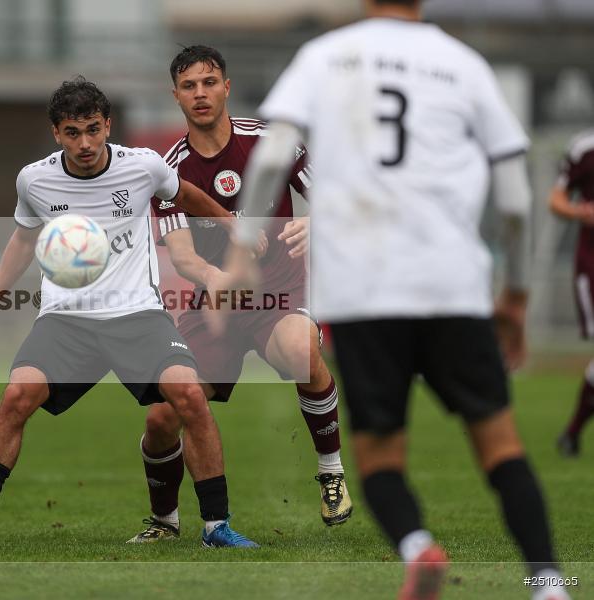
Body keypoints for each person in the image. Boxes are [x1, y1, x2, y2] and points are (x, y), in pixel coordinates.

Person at [230, 1, 570, 598]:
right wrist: (515, 296)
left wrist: (238, 250)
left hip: (363, 292)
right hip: (452, 285)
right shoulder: (462, 63)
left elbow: (275, 155)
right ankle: (548, 584)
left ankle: (417, 546)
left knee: (381, 455)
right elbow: (515, 198)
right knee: (500, 445)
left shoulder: (323, 57)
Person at [0, 76, 258, 550]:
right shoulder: (35, 179)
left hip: (137, 314)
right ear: (56, 134)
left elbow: (184, 194)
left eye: (92, 129)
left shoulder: (143, 167)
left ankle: (216, 526)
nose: (84, 143)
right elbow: (23, 240)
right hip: (67, 318)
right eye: (71, 132)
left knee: (189, 396)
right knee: (15, 397)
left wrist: (232, 224)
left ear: (107, 125)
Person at [125, 45, 351, 545]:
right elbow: (182, 258)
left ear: (226, 87)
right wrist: (216, 277)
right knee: (162, 415)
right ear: (176, 95)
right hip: (216, 306)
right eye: (189, 86)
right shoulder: (168, 171)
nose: (200, 93)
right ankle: (164, 521)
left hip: (280, 294)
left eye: (209, 82)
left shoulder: (272, 144)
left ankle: (331, 472)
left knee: (300, 351)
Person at [550, 128, 594, 457]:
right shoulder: (584, 147)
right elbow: (557, 200)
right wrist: (582, 212)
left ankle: (571, 433)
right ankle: (572, 432)